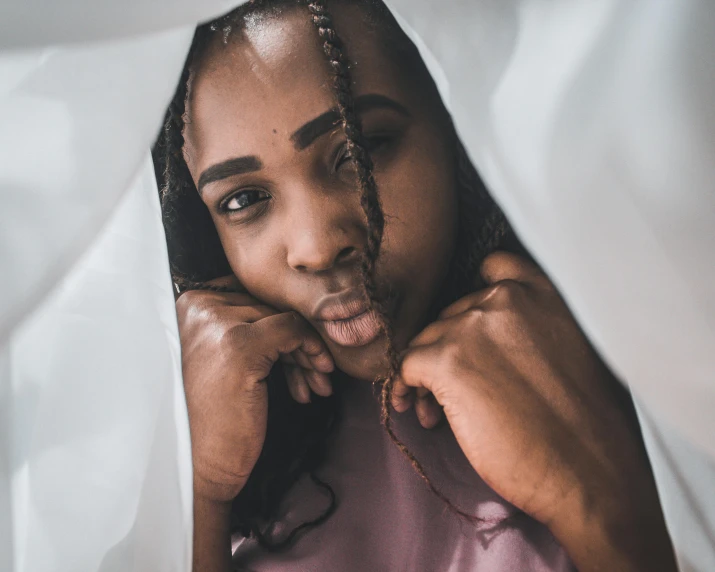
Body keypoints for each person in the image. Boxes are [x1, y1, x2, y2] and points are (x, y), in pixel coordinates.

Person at [153, 1, 676, 570]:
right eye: (244, 200)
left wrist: (599, 503)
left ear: (454, 122)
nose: (316, 246)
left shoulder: (642, 359)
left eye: (357, 150)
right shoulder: (227, 452)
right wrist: (198, 493)